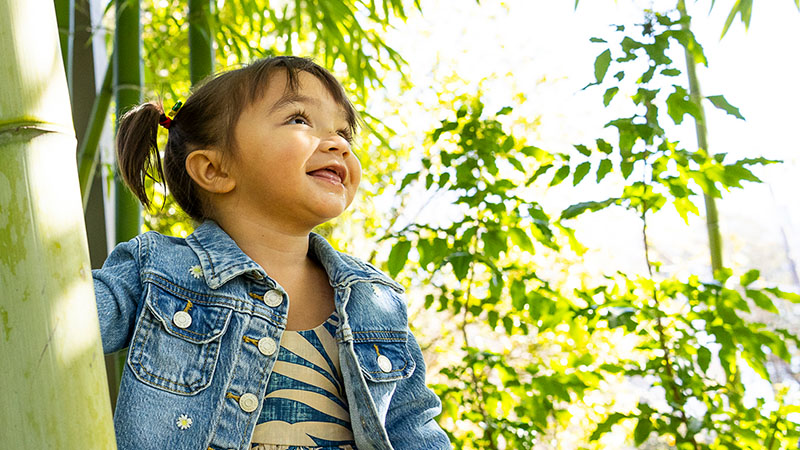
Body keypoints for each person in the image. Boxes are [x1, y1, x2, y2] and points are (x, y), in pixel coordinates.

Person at [93, 56, 451, 450]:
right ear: (214, 169)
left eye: (344, 132)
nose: (338, 144)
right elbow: (55, 320)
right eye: (299, 119)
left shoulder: (375, 298)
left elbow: (412, 426)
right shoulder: (158, 268)